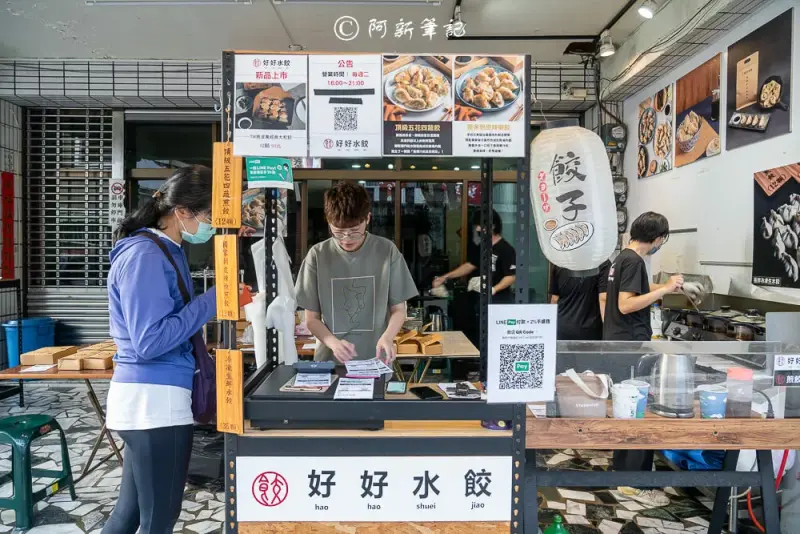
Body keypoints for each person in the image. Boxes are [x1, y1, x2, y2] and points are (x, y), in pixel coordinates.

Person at [103, 166, 224, 533]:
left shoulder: (162, 250)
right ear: (182, 211)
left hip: (147, 403)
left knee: (130, 515)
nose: (212, 225)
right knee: (158, 519)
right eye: (209, 216)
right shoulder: (146, 256)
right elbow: (149, 341)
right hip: (154, 405)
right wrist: (211, 302)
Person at [603, 211, 684, 508]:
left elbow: (632, 292)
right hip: (629, 346)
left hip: (618, 343)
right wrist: (663, 289)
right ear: (659, 238)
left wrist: (665, 286)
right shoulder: (635, 260)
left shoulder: (623, 257)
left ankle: (623, 474)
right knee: (637, 415)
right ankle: (634, 483)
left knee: (626, 413)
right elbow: (626, 305)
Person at [295, 182, 417, 363]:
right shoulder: (318, 255)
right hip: (330, 362)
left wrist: (387, 337)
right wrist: (333, 343)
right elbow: (311, 319)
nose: (346, 239)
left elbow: (399, 310)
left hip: (376, 360)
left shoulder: (386, 251)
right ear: (329, 223)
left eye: (354, 232)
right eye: (338, 232)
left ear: (367, 218)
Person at [433, 210, 517, 304]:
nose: (477, 229)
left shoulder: (506, 249)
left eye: (480, 226)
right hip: (482, 300)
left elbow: (511, 276)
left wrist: (493, 290)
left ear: (493, 226)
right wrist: (445, 277)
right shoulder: (482, 247)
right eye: (476, 226)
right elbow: (470, 265)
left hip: (499, 301)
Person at [550, 260, 611, 341]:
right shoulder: (602, 261)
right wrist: (610, 330)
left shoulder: (560, 261)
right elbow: (603, 298)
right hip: (590, 331)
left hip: (562, 328)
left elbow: (554, 299)